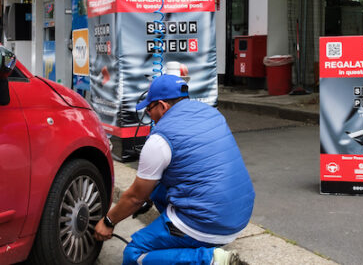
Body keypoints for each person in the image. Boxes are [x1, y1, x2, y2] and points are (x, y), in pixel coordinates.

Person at [94, 74, 255, 265]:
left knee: (134, 253)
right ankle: (184, 239)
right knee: (159, 184)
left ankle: (210, 259)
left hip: (209, 224)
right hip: (239, 215)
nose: (149, 115)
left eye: (149, 109)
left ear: (162, 106)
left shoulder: (160, 139)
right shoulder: (211, 113)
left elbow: (135, 198)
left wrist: (108, 222)